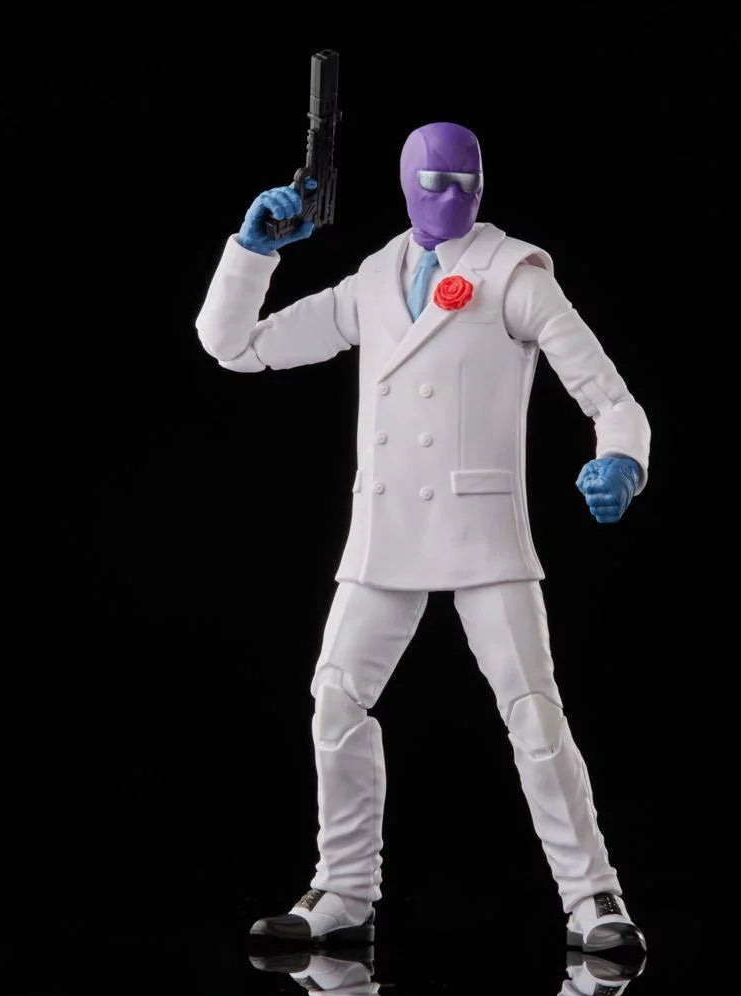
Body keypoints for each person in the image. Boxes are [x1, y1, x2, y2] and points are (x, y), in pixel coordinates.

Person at [196, 122, 651, 953]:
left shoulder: (513, 275)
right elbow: (236, 348)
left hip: (483, 530)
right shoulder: (373, 280)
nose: (454, 196)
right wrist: (253, 252)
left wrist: (619, 459)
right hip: (387, 528)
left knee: (534, 714)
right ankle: (343, 890)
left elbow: (609, 395)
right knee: (336, 700)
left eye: (468, 180)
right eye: (435, 180)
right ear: (405, 185)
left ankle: (594, 897)